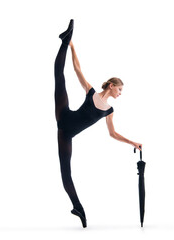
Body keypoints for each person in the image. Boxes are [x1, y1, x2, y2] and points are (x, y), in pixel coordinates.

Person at [54, 19, 142, 228]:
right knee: (60, 77)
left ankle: (78, 209)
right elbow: (77, 69)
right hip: (63, 114)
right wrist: (73, 46)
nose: (120, 94)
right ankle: (65, 41)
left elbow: (113, 134)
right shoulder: (91, 92)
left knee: (66, 173)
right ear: (111, 86)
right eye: (120, 90)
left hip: (66, 134)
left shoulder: (109, 111)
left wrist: (133, 143)